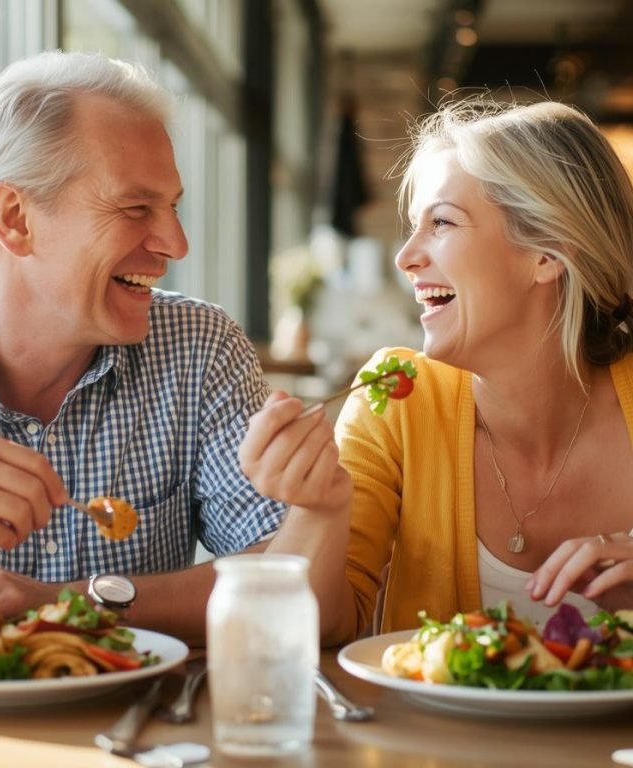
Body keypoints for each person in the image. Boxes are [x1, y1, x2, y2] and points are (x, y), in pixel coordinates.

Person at [0, 50, 338, 642]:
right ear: (15, 218)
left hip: (140, 732)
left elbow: (289, 582)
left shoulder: (198, 349)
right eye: (137, 208)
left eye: (173, 207)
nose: (176, 244)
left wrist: (73, 602)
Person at [242, 97, 633, 645]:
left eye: (442, 222)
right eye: (413, 226)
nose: (405, 257)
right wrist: (318, 508)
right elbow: (303, 633)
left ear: (547, 252)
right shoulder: (397, 402)